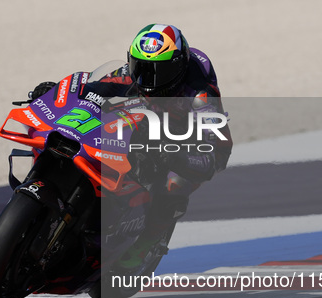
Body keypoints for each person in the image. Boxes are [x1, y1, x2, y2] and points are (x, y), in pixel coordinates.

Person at [31, 24, 233, 271]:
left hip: (184, 136)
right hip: (148, 121)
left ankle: (145, 244)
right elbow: (93, 87)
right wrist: (53, 94)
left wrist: (177, 157)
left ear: (179, 67)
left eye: (160, 70)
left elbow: (216, 153)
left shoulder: (201, 98)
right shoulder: (132, 73)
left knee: (174, 183)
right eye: (142, 67)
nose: (149, 78)